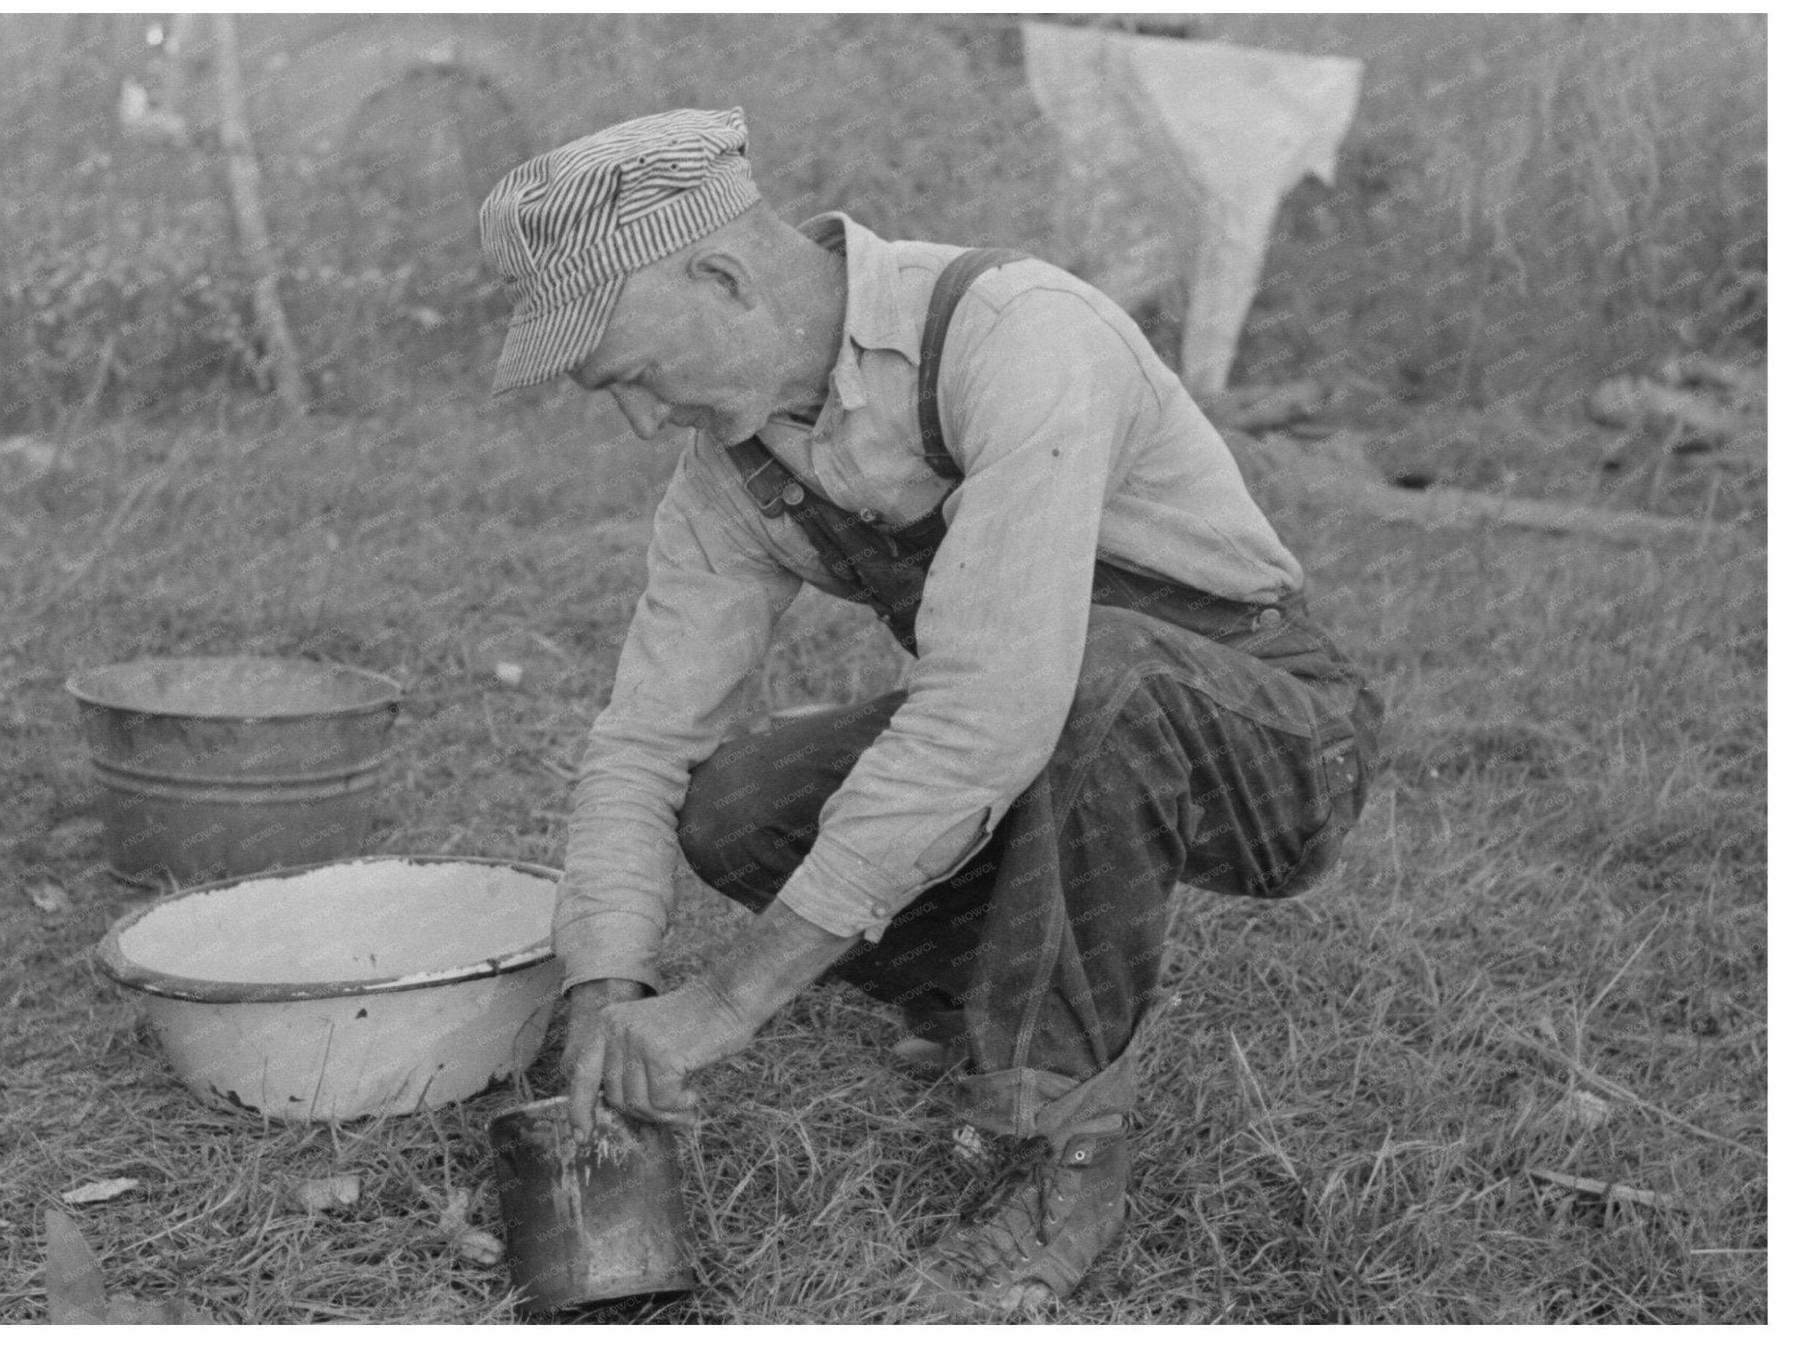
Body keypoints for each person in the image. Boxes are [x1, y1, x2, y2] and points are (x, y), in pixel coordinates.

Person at [477, 107, 1382, 1314]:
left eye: (636, 375)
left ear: (721, 275)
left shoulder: (1017, 335)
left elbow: (991, 708)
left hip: (1269, 739)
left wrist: (736, 995)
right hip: (1047, 736)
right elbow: (642, 745)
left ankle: (1060, 1150)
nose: (642, 420)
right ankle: (989, 1005)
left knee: (1094, 682)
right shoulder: (732, 475)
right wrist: (609, 989)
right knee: (736, 802)